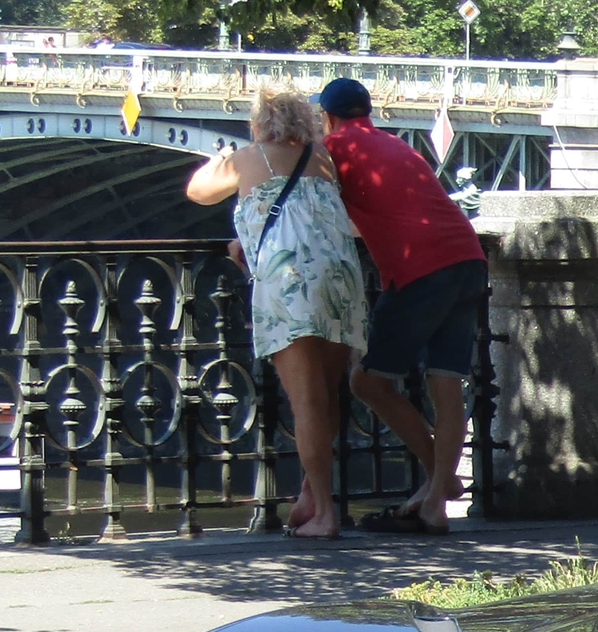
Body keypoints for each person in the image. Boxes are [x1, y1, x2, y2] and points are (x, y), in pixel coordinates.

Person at [185, 88, 369, 539]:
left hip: (290, 282)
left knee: (306, 402)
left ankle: (325, 514)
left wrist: (223, 156)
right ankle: (312, 496)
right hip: (341, 277)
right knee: (326, 396)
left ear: (260, 123)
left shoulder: (250, 158)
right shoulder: (321, 158)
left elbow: (198, 192)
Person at [315, 77, 489, 534]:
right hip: (468, 259)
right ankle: (435, 500)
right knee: (446, 385)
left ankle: (441, 481)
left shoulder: (333, 149)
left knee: (367, 381)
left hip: (420, 270)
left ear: (328, 117)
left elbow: (313, 212)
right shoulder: (396, 145)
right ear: (367, 112)